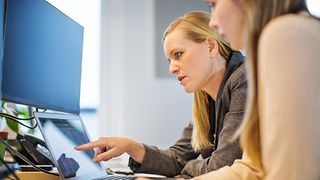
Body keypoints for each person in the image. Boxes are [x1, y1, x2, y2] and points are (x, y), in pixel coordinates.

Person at [76, 11, 247, 178]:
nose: (172, 68)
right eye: (170, 60)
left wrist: (186, 169)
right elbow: (177, 158)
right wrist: (131, 146)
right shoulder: (205, 99)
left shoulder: (243, 79)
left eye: (178, 55)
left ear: (211, 46)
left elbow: (222, 166)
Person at [194, 0, 320, 179]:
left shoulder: (285, 34)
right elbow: (253, 167)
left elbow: (293, 174)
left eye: (213, 5)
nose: (212, 22)